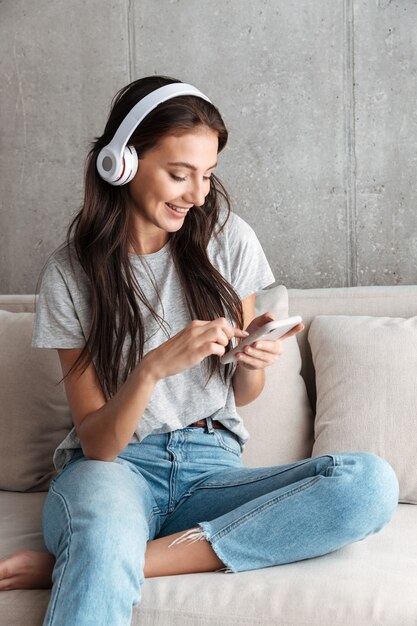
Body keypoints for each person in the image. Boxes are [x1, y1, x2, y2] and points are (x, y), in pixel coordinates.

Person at [0, 75, 399, 625]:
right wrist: (153, 369)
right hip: (114, 472)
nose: (197, 194)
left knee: (368, 485)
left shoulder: (228, 240)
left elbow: (245, 392)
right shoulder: (70, 274)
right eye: (179, 174)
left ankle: (99, 558)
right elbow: (98, 444)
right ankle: (101, 547)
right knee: (104, 516)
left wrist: (252, 362)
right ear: (123, 162)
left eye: (207, 175)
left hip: (212, 469)